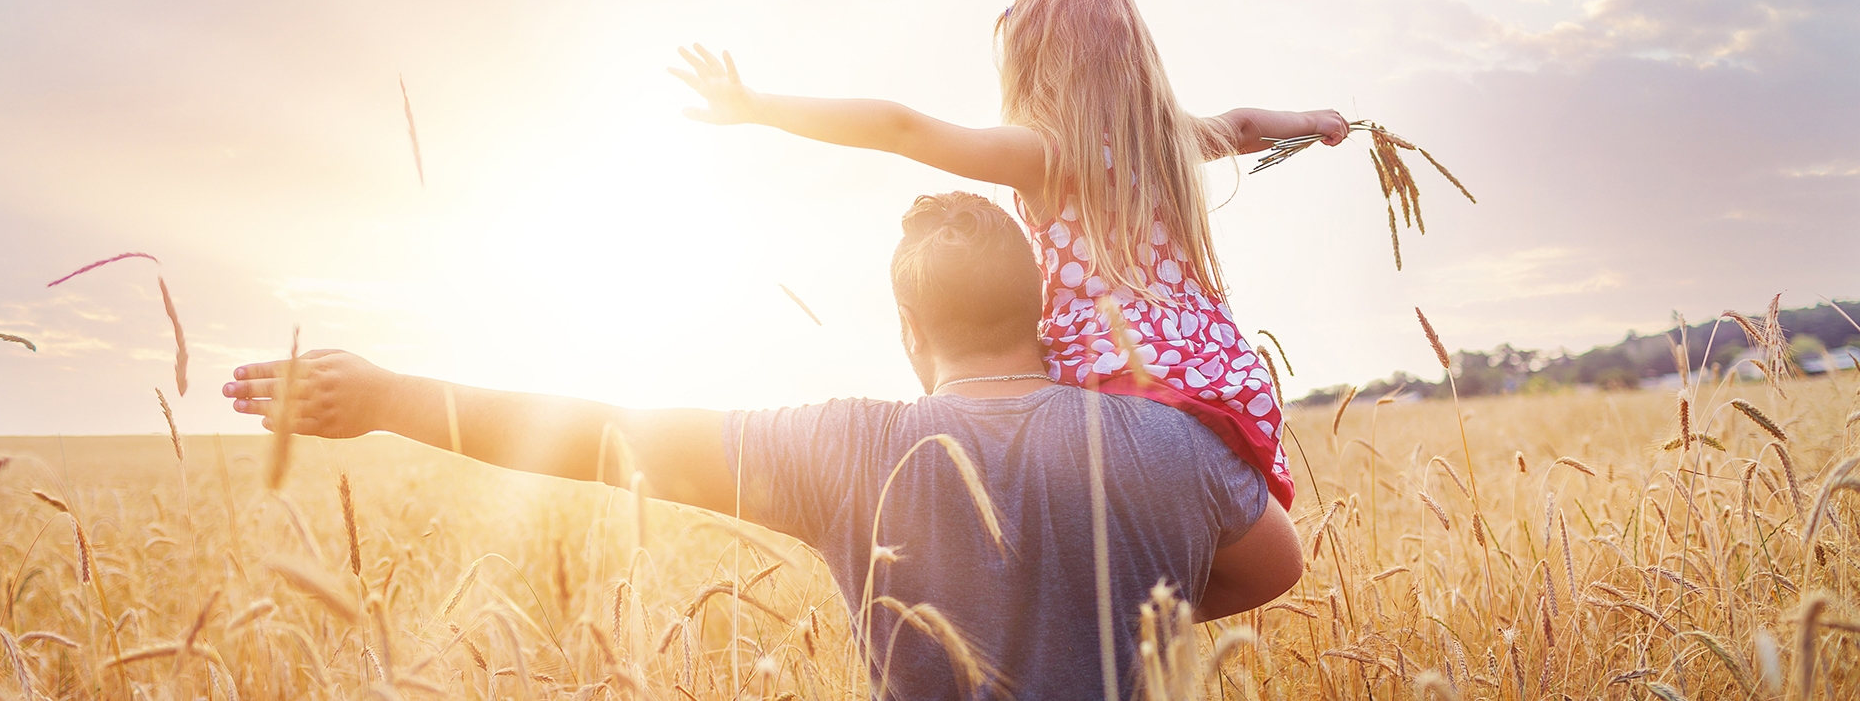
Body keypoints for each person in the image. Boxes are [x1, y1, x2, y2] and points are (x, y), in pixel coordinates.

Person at [224, 191, 1302, 700]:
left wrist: (391, 395)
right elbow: (1277, 563)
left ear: (909, 328)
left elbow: (603, 438)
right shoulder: (1166, 441)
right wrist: (1113, 593)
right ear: (1036, 306)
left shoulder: (846, 445)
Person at [671, 0, 1350, 512]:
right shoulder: (1170, 144)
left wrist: (760, 107)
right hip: (1211, 382)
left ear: (1036, 62)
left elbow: (900, 127)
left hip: (1102, 384)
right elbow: (1245, 124)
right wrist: (1313, 119)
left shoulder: (1048, 154)